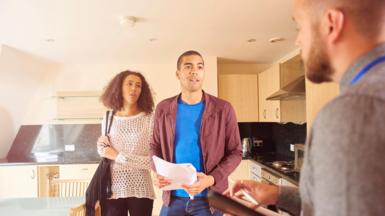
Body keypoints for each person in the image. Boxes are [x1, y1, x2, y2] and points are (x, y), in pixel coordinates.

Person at [225, 0, 385, 215]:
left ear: (332, 23)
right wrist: (278, 194)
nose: (298, 41)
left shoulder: (351, 113)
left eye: (299, 28)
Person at [150, 50, 242, 216]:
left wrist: (211, 179)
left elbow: (235, 152)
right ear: (178, 74)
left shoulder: (223, 108)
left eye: (199, 67)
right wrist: (157, 172)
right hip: (173, 198)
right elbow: (154, 146)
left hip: (210, 200)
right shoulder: (163, 108)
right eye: (188, 66)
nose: (194, 71)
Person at [96, 70, 155, 216]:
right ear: (119, 87)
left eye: (138, 85)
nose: (134, 89)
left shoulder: (149, 119)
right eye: (129, 84)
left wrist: (118, 156)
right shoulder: (108, 117)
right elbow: (105, 150)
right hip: (112, 188)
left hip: (141, 187)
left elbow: (153, 162)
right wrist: (101, 148)